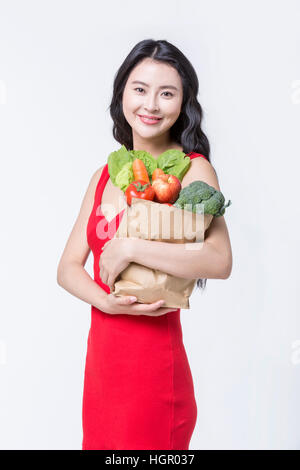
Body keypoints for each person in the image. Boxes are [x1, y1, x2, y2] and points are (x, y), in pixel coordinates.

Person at [57, 39, 232, 450]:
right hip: (102, 367)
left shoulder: (193, 171)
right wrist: (104, 302)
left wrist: (130, 249)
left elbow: (220, 260)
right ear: (121, 94)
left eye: (166, 92)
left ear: (184, 102)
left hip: (154, 371)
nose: (151, 104)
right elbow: (67, 269)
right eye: (140, 89)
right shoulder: (103, 175)